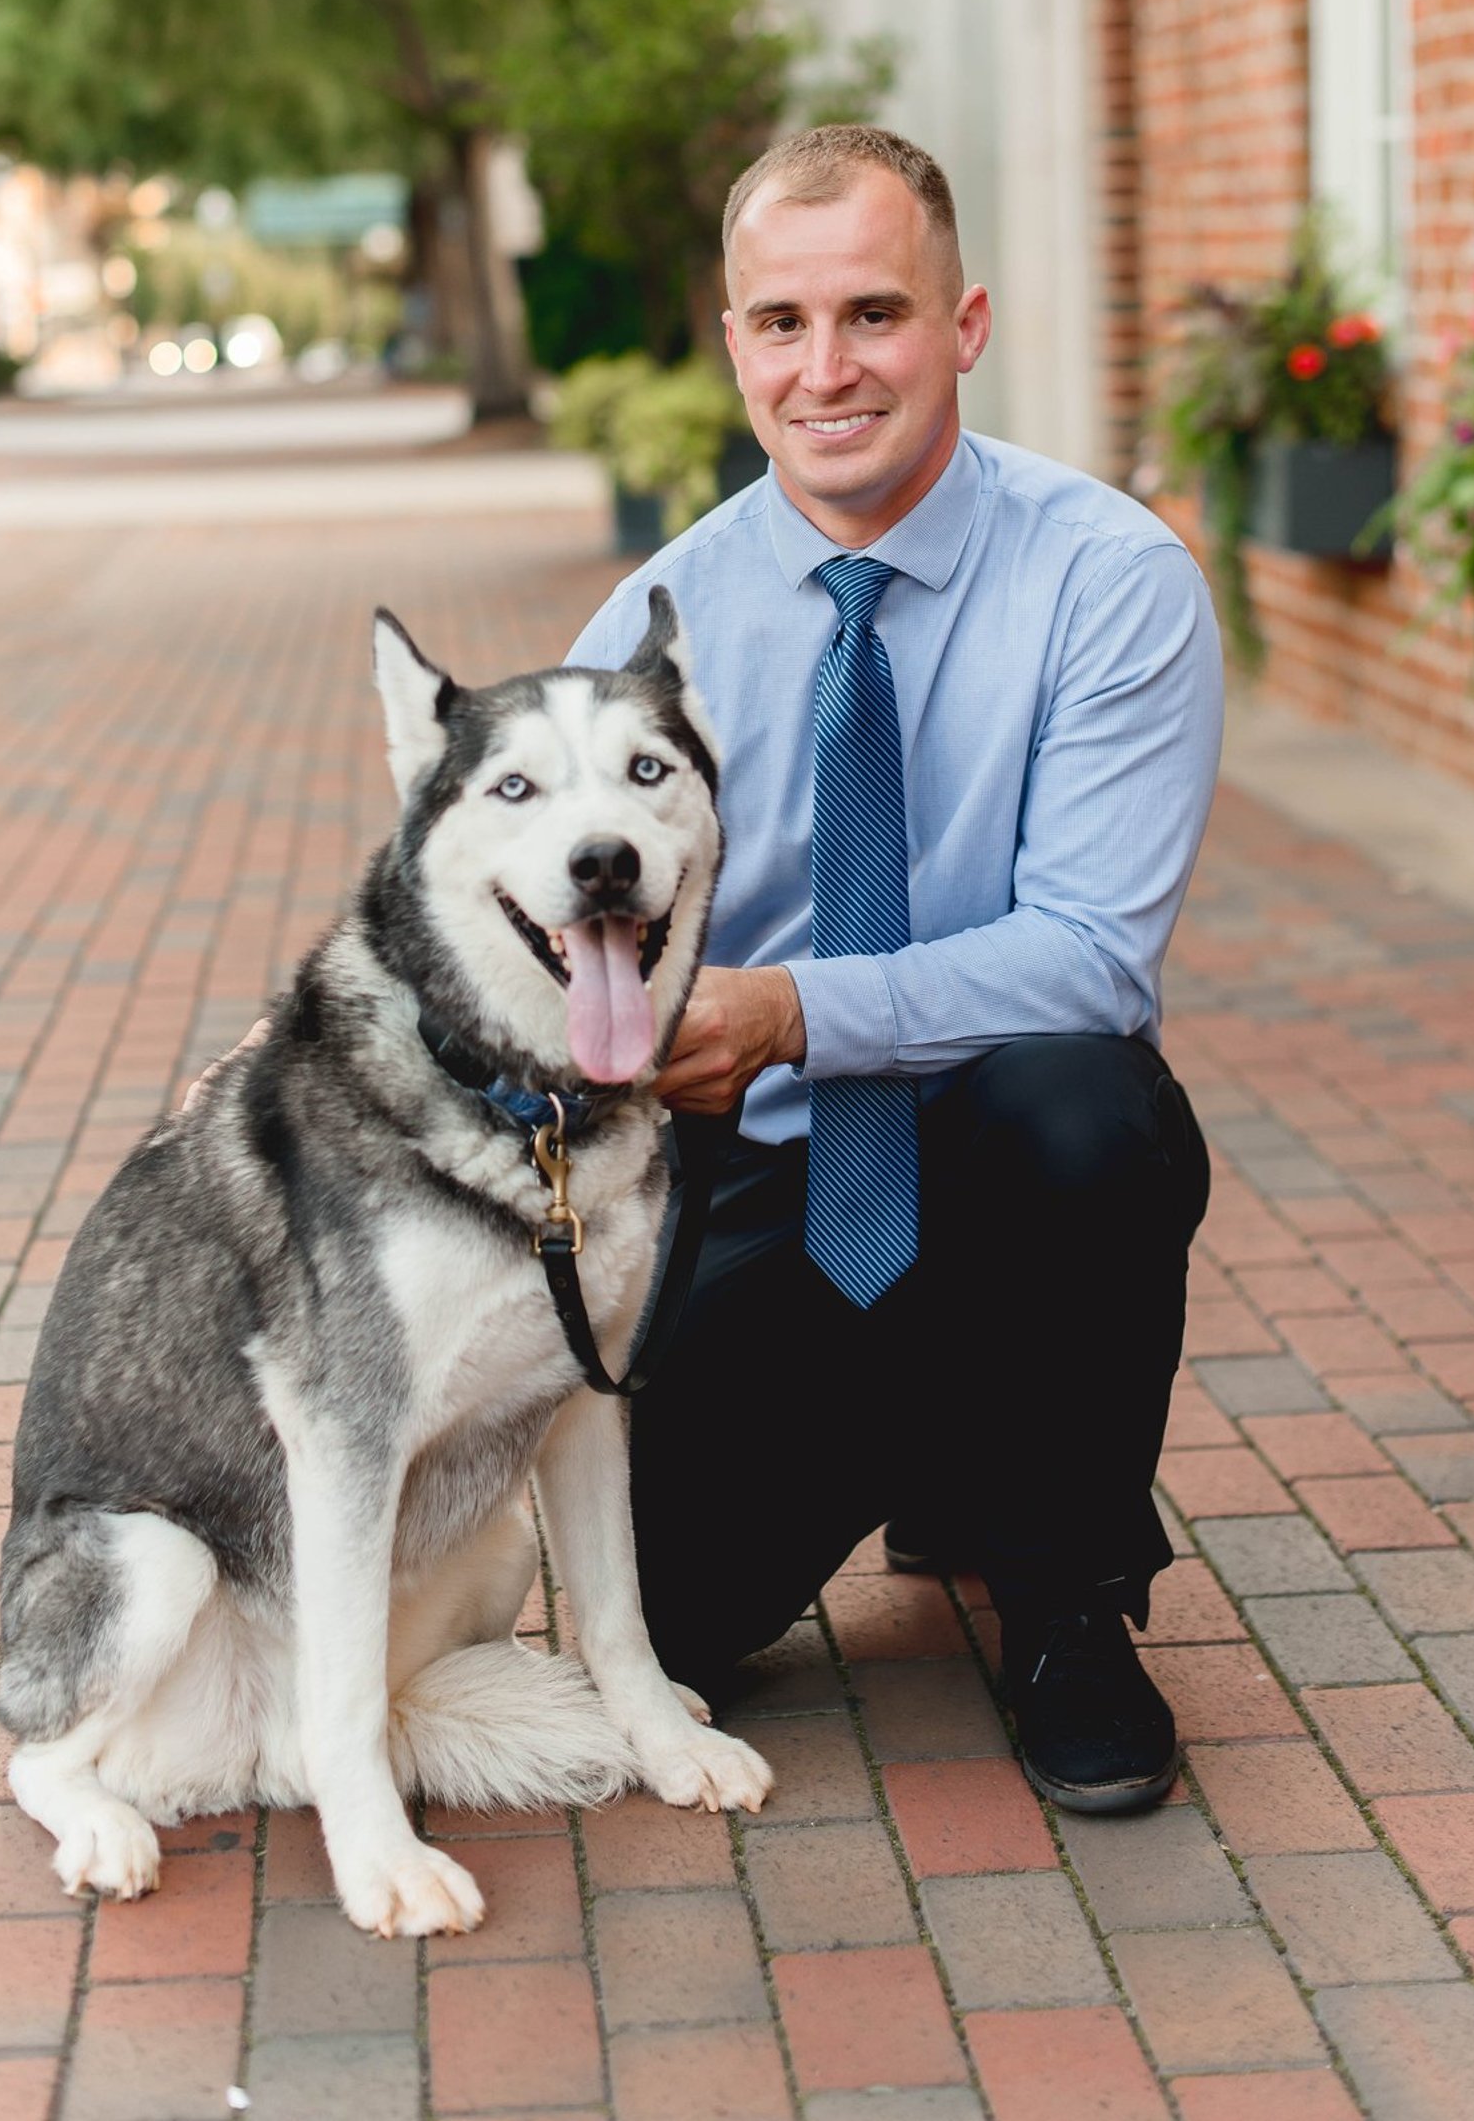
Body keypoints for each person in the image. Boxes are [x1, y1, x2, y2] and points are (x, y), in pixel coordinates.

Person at [565, 122, 1222, 1815]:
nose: (828, 367)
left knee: (1093, 1108)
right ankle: (950, 1437)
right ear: (734, 345)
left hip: (1001, 1146)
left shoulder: (1108, 581)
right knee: (672, 1621)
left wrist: (788, 1011)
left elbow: (1089, 952)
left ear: (965, 325)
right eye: (781, 323)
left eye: (875, 312)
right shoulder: (654, 626)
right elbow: (554, 950)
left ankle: (1068, 1595)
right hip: (768, 1187)